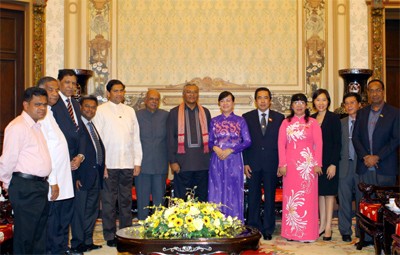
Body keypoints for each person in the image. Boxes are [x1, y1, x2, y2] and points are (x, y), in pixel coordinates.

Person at [0, 87, 51, 254]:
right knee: (26, 236)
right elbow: (7, 161)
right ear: (25, 105)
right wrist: (9, 184)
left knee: (38, 235)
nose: (42, 108)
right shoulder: (18, 127)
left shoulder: (36, 126)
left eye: (44, 104)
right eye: (37, 104)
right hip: (25, 186)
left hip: (39, 186)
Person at [92, 79, 142, 247]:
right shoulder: (100, 111)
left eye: (121, 91)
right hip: (109, 165)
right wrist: (102, 164)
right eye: (115, 91)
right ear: (108, 93)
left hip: (127, 163)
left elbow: (136, 138)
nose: (119, 94)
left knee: (126, 201)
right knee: (108, 202)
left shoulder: (130, 111)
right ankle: (110, 235)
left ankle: (126, 234)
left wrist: (137, 161)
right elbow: (97, 140)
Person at [352, 79, 399, 246]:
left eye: (377, 90)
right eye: (371, 91)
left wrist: (377, 157)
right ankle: (364, 237)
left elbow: (395, 140)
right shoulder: (362, 112)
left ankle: (386, 239)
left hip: (385, 166)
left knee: (385, 207)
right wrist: (365, 156)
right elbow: (356, 138)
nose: (374, 93)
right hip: (365, 166)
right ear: (368, 93)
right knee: (364, 203)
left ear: (383, 92)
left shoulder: (395, 113)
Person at [35, 77, 75, 254]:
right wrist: (53, 181)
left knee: (62, 219)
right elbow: (45, 152)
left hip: (64, 179)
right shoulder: (40, 117)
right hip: (54, 180)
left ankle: (60, 249)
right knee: (53, 222)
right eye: (50, 89)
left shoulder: (50, 113)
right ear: (41, 91)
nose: (55, 93)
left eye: (56, 90)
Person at [277, 93, 323, 242]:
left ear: (306, 105)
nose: (298, 105)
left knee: (308, 199)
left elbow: (319, 144)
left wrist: (318, 164)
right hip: (290, 168)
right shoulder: (286, 123)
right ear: (291, 106)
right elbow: (281, 145)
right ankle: (291, 233)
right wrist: (282, 164)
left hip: (307, 167)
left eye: (301, 102)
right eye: (296, 102)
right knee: (291, 198)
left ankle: (308, 234)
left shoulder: (313, 123)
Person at [51, 69, 86, 255]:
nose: (71, 86)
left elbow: (79, 133)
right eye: (67, 82)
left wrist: (80, 156)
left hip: (73, 165)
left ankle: (64, 247)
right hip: (58, 165)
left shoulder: (75, 103)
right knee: (58, 209)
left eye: (74, 83)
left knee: (68, 209)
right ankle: (56, 248)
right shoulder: (53, 105)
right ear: (58, 83)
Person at [242, 87, 284, 240]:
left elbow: (282, 143)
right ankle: (253, 227)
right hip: (253, 163)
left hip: (272, 164)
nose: (263, 100)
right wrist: (245, 163)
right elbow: (244, 142)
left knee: (269, 197)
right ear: (255, 101)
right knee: (253, 196)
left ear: (270, 101)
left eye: (265, 97)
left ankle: (268, 228)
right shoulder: (246, 117)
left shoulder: (279, 118)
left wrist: (281, 164)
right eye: (259, 97)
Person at [208, 91, 251, 222]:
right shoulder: (214, 121)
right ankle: (216, 223)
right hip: (217, 160)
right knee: (217, 189)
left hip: (234, 159)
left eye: (228, 100)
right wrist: (215, 147)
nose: (225, 103)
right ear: (219, 104)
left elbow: (248, 141)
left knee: (234, 190)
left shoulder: (240, 120)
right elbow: (209, 141)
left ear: (233, 103)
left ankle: (234, 222)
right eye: (222, 101)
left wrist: (231, 150)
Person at [70, 95, 105, 252]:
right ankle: (77, 243)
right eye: (87, 106)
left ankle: (88, 240)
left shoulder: (91, 125)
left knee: (92, 211)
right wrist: (76, 176)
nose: (90, 110)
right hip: (81, 177)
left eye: (93, 107)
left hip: (95, 175)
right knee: (79, 212)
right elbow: (73, 152)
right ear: (80, 108)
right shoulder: (76, 128)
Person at [167, 83, 211, 201]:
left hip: (202, 164)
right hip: (182, 165)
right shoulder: (174, 112)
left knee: (201, 200)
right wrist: (173, 161)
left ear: (198, 94)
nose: (192, 95)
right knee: (181, 201)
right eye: (189, 92)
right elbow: (170, 138)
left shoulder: (205, 112)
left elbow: (210, 138)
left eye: (195, 92)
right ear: (183, 94)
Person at [311, 89, 341, 241]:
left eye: (324, 100)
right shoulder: (310, 119)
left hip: (329, 162)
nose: (321, 103)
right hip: (316, 164)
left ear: (328, 101)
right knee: (320, 194)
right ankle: (322, 225)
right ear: (314, 102)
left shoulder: (334, 118)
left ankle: (328, 226)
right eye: (318, 100)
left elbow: (337, 143)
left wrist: (333, 164)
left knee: (329, 195)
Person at [136, 89, 169, 220]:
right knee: (142, 198)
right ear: (145, 100)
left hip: (160, 164)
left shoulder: (166, 116)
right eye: (151, 99)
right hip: (142, 165)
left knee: (159, 198)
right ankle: (142, 223)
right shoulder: (136, 115)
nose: (154, 102)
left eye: (156, 99)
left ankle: (158, 225)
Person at [338, 92, 362, 243]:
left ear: (359, 104)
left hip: (361, 166)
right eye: (346, 103)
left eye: (352, 102)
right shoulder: (340, 122)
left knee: (362, 200)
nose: (349, 106)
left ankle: (362, 230)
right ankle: (345, 230)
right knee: (344, 200)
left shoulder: (365, 121)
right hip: (344, 165)